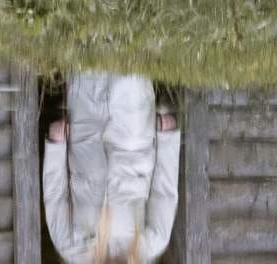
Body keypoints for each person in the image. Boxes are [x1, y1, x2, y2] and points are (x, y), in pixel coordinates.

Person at [43, 72, 182, 264]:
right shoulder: (150, 246)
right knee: (131, 73)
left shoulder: (72, 250)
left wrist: (56, 147)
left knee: (85, 72)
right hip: (133, 142)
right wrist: (167, 139)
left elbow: (55, 197)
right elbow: (164, 193)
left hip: (86, 141)